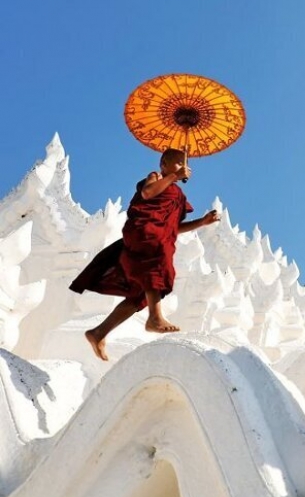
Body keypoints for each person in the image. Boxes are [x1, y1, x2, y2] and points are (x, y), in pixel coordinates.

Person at [70, 148, 220, 360]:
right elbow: (148, 193)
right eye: (177, 162)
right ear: (163, 165)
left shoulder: (177, 195)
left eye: (183, 163)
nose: (182, 166)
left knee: (141, 293)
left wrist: (202, 223)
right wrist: (173, 176)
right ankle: (155, 318)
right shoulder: (156, 177)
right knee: (157, 264)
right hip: (145, 233)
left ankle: (99, 332)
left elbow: (173, 228)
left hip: (160, 237)